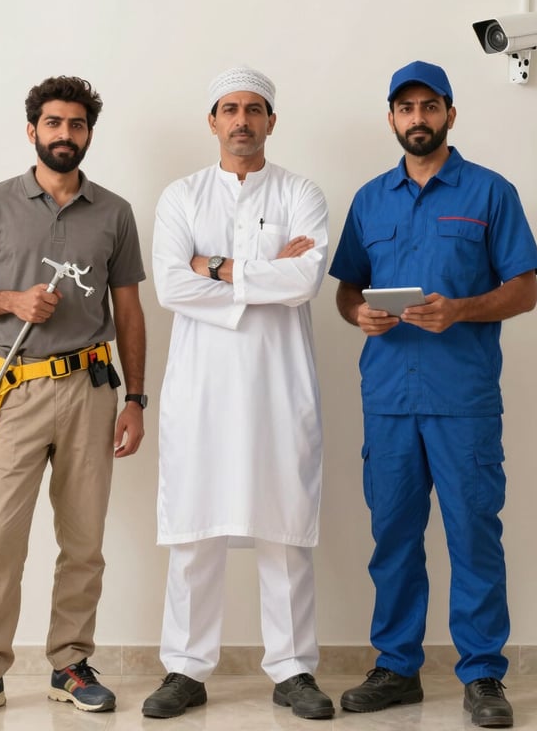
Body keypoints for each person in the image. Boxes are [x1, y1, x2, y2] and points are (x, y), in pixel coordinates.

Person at [329, 61, 537, 729]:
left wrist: (463, 309)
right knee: (392, 536)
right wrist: (356, 313)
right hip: (388, 398)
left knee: (473, 534)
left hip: (463, 399)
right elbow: (347, 288)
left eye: (428, 107)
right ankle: (396, 668)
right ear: (391, 118)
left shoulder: (490, 193)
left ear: (450, 113)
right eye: (404, 108)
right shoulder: (369, 200)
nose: (416, 119)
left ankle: (482, 676)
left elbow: (524, 289)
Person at [0, 76, 147, 722]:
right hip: (15, 390)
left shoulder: (113, 212)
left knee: (83, 539)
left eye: (77, 124)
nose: (65, 134)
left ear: (89, 133)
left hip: (91, 391)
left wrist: (136, 397)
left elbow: (130, 312)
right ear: (32, 130)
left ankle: (70, 664)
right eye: (54, 123)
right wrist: (11, 300)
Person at [143, 66, 334, 721]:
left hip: (279, 386)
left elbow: (305, 280)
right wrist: (263, 274)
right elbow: (171, 286)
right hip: (201, 391)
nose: (242, 120)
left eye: (254, 109)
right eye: (229, 108)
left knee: (284, 530)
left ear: (271, 121)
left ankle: (292, 670)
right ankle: (185, 669)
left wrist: (218, 267)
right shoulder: (182, 197)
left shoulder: (300, 193)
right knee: (195, 530)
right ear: (213, 120)